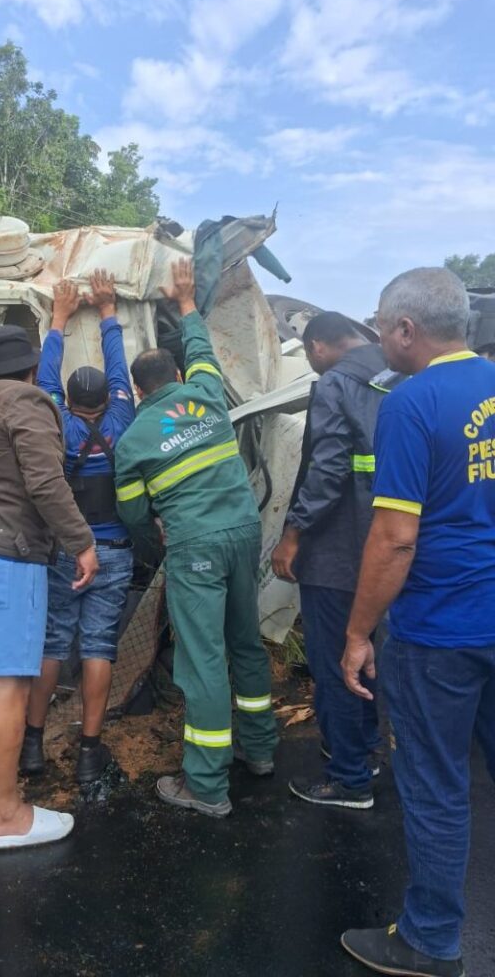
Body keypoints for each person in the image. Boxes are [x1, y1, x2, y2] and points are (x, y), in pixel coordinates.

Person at [340, 268, 495, 977]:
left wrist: (358, 632)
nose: (376, 336)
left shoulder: (411, 402)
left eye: (380, 324)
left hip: (442, 629)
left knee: (435, 787)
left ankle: (429, 940)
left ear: (407, 331)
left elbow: (395, 538)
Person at [113, 258, 278, 818]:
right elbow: (204, 350)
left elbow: (134, 515)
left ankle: (206, 786)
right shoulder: (207, 393)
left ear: (139, 392)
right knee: (246, 645)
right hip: (243, 533)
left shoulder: (134, 438)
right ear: (178, 377)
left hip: (197, 548)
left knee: (203, 661)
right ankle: (259, 752)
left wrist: (160, 538)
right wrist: (185, 302)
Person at [0, 324, 99, 847]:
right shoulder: (27, 403)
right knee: (9, 682)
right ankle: (6, 814)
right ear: (32, 370)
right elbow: (46, 482)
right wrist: (82, 542)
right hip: (6, 557)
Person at [271, 312, 397, 808]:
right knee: (366, 654)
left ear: (319, 346)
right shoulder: (399, 374)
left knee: (336, 662)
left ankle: (348, 778)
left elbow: (326, 473)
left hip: (336, 552)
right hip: (387, 547)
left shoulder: (336, 384)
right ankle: (363, 749)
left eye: (307, 354)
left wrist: (293, 535)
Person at [22, 270, 136, 783]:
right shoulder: (122, 420)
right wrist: (109, 312)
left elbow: (45, 376)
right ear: (109, 400)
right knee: (98, 646)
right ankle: (90, 749)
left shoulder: (55, 421)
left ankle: (31, 743)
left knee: (52, 643)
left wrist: (59, 318)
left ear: (66, 399)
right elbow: (120, 371)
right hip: (113, 548)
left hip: (66, 549)